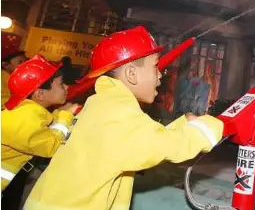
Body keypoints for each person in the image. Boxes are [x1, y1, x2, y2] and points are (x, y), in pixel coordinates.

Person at [25, 26, 224, 210]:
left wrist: (184, 123)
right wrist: (209, 127)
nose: (160, 75)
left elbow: (144, 139)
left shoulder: (104, 104)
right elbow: (166, 146)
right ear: (131, 74)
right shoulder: (117, 111)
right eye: (155, 67)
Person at [1, 55, 79, 209]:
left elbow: (44, 125)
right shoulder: (24, 120)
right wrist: (66, 115)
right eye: (61, 84)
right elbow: (51, 147)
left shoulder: (26, 112)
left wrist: (58, 114)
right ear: (39, 94)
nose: (67, 87)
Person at [1, 44, 27, 109]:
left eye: (25, 62)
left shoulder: (16, 78)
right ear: (5, 65)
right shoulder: (2, 81)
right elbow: (4, 106)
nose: (24, 65)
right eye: (20, 62)